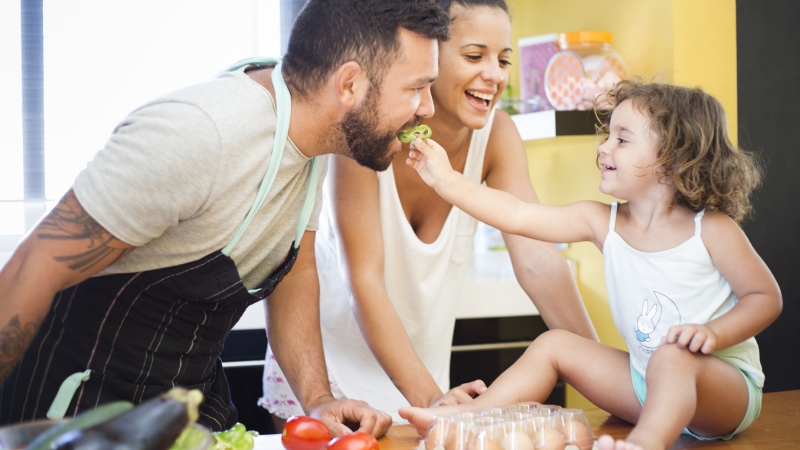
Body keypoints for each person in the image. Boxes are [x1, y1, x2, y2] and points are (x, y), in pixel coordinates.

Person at [0, 0, 450, 436]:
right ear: (349, 84)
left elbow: (297, 272)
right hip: (77, 411)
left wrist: (318, 399)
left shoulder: (314, 141)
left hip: (191, 411)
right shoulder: (200, 132)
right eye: (416, 88)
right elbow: (31, 267)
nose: (429, 108)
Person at [260, 0, 598, 427]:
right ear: (428, 59)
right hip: (327, 379)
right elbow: (363, 280)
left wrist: (612, 376)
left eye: (503, 59)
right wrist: (434, 400)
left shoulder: (498, 135)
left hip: (420, 379)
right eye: (475, 56)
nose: (493, 74)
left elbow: (538, 260)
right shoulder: (367, 135)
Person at [400, 80, 782, 450]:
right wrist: (445, 180)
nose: (603, 149)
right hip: (644, 383)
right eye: (608, 136)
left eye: (621, 139)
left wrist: (713, 334)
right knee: (554, 345)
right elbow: (517, 214)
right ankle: (464, 417)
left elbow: (765, 297)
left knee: (673, 353)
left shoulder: (711, 229)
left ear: (671, 158)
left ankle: (644, 443)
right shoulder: (603, 222)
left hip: (725, 393)